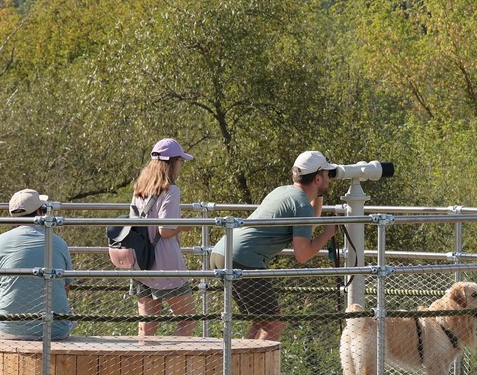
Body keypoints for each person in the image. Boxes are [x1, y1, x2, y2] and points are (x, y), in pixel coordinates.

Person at [221, 150, 339, 341]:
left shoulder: (283, 191)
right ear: (317, 179)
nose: (330, 179)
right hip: (243, 257)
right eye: (327, 174)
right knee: (275, 323)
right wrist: (328, 233)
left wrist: (319, 195)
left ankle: (237, 369)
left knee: (261, 322)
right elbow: (302, 255)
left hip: (224, 251)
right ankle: (254, 372)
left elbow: (307, 226)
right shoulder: (301, 206)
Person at [0, 189, 75, 340]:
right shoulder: (59, 242)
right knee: (69, 314)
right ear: (40, 211)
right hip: (56, 330)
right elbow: (64, 291)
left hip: (8, 329)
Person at [134, 137, 199, 337]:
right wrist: (185, 226)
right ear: (172, 163)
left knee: (147, 326)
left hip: (141, 261)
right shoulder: (171, 190)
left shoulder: (140, 188)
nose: (181, 166)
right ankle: (170, 366)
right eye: (181, 161)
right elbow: (166, 229)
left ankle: (146, 366)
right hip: (166, 264)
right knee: (188, 321)